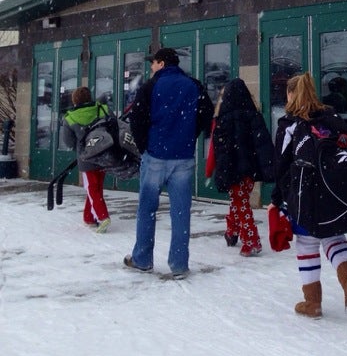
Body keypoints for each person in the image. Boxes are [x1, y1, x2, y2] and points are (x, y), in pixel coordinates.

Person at [270, 72, 347, 318]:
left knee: (307, 244)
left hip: (304, 195)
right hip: (333, 193)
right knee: (334, 238)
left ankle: (312, 302)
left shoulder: (290, 125)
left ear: (291, 94)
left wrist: (277, 199)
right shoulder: (331, 117)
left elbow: (280, 166)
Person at [123, 48, 213, 278]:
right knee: (181, 212)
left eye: (153, 63)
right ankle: (179, 264)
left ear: (162, 64)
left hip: (155, 155)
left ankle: (142, 259)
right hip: (183, 156)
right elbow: (207, 113)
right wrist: (189, 135)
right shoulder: (193, 85)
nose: (151, 67)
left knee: (147, 208)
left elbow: (137, 119)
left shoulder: (150, 86)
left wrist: (144, 146)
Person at [206, 77, 274, 256]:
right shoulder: (254, 116)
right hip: (249, 169)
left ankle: (251, 241)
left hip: (232, 169)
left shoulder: (223, 119)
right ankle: (232, 231)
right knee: (239, 200)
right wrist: (267, 166)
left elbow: (217, 149)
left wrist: (212, 170)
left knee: (240, 202)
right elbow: (263, 144)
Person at [60, 86, 112, 233]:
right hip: (104, 154)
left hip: (86, 157)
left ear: (75, 101)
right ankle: (88, 217)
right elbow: (113, 125)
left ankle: (102, 217)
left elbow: (69, 142)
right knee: (97, 188)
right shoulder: (101, 109)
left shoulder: (70, 118)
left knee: (92, 188)